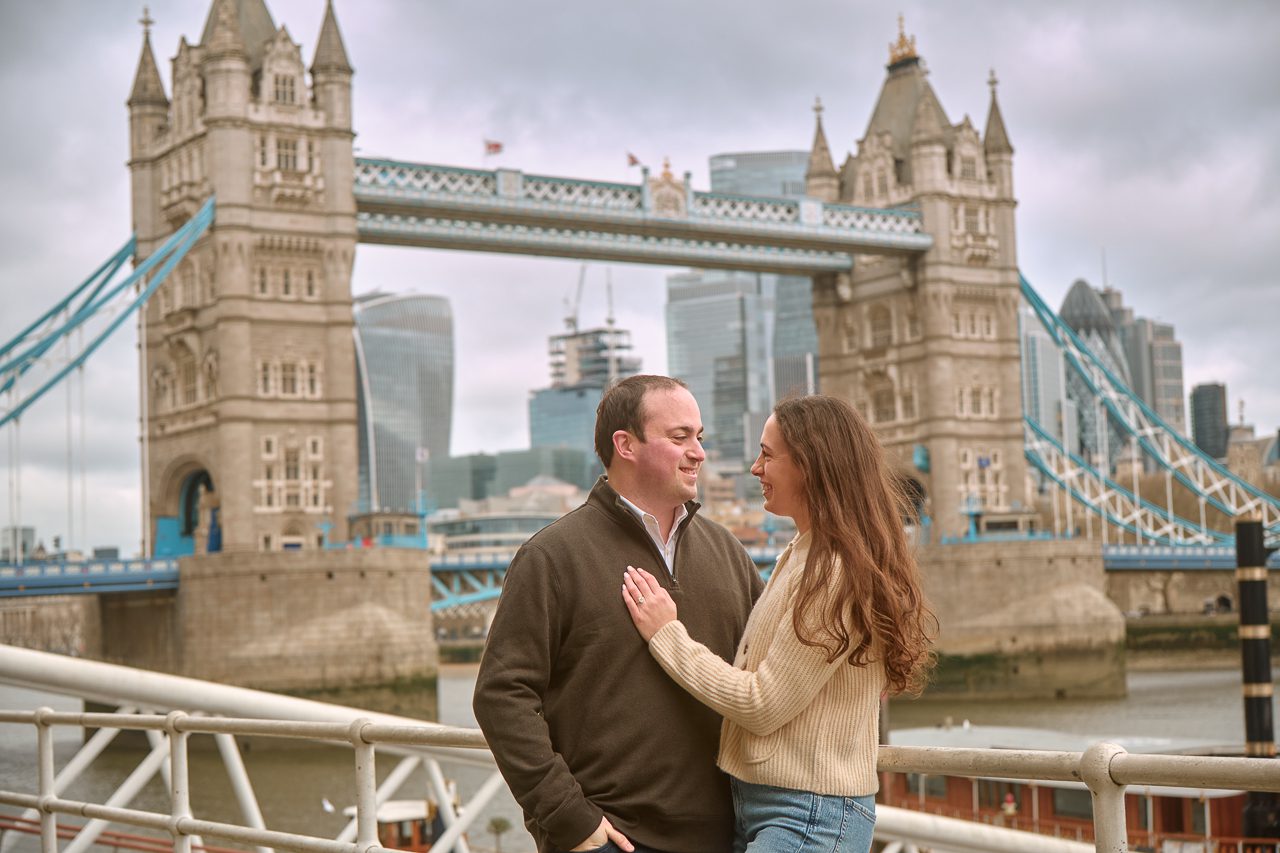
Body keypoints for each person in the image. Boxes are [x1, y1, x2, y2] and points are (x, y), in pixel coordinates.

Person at [622, 394, 936, 853]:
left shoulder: (834, 571)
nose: (755, 469)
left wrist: (667, 635)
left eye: (767, 455)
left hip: (809, 812)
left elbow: (762, 702)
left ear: (811, 465)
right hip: (767, 802)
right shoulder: (805, 553)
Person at [474, 375, 764, 853]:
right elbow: (501, 696)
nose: (699, 453)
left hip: (726, 838)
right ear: (625, 445)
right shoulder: (551, 557)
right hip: (610, 839)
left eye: (699, 436)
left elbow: (764, 679)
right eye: (679, 437)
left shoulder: (728, 551)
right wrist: (570, 819)